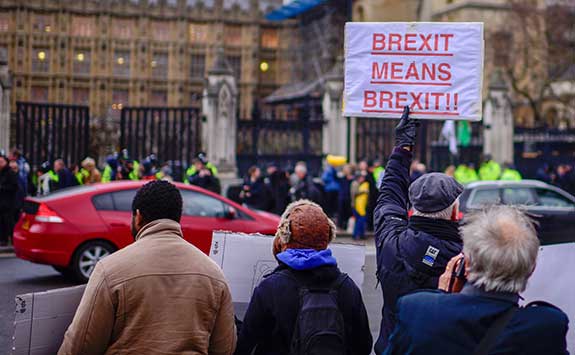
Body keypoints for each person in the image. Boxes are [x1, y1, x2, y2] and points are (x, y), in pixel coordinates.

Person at [58, 180, 236, 354]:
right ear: (177, 217)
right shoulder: (214, 273)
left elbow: (80, 346)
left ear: (138, 216)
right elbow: (225, 347)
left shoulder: (110, 270)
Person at [384, 206, 569, 355]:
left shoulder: (419, 311)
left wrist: (441, 296)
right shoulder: (546, 327)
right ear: (531, 268)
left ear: (467, 262)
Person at [374, 107, 464, 353]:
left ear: (413, 209)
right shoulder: (464, 258)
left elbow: (389, 194)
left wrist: (403, 148)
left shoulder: (391, 241)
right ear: (455, 213)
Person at [235, 199, 373, 355]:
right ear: (326, 239)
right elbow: (363, 346)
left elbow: (246, 345)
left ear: (285, 237)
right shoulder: (347, 287)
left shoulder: (270, 287)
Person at [0, 154, 18, 246]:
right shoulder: (1, 173)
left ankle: (12, 239)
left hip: (8, 203)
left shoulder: (10, 173)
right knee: (2, 222)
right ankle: (3, 240)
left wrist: (2, 188)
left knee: (9, 222)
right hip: (1, 202)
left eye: (1, 162)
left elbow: (15, 187)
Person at [351, 171, 369, 240]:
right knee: (359, 220)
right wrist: (364, 191)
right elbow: (355, 193)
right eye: (362, 177)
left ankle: (359, 235)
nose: (363, 178)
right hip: (355, 205)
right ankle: (356, 235)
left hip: (356, 205)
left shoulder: (357, 183)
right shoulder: (355, 184)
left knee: (359, 220)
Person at [337, 164, 355, 230]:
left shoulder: (353, 179)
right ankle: (341, 225)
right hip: (342, 197)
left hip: (349, 197)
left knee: (349, 212)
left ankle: (348, 226)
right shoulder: (342, 178)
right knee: (341, 212)